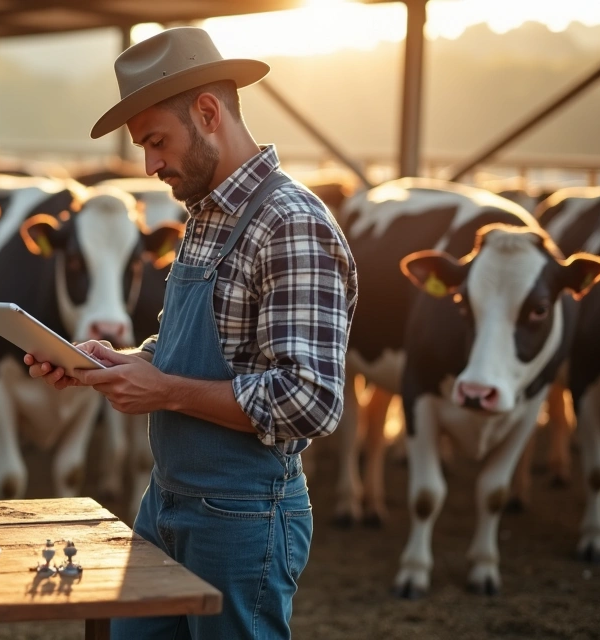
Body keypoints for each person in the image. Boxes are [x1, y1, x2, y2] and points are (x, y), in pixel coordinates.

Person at [26, 27, 358, 639]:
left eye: (157, 141)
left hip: (244, 516)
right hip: (167, 500)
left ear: (208, 113)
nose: (150, 166)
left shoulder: (291, 225)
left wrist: (166, 392)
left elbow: (310, 400)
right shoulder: (204, 213)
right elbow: (202, 351)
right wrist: (113, 361)